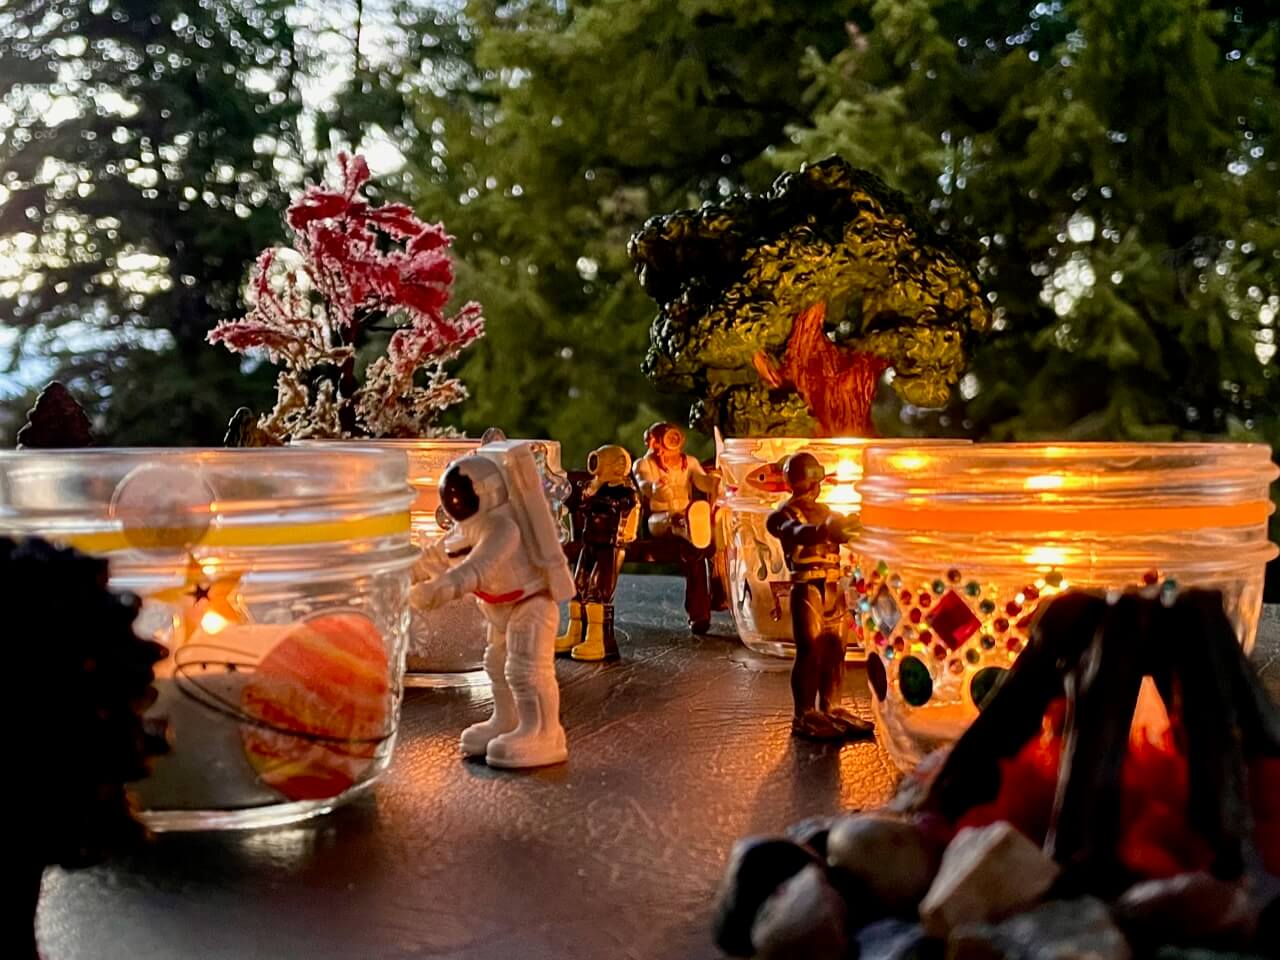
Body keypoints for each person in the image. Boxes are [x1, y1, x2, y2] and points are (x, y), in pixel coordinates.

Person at [412, 441, 575, 768]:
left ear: (484, 493)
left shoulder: (503, 527)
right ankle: (507, 720)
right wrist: (409, 572)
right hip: (501, 610)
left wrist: (439, 590)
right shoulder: (473, 525)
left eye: (462, 495)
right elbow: (439, 555)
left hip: (531, 604)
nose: (456, 501)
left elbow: (477, 568)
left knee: (525, 670)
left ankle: (542, 732)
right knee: (497, 664)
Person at [766, 452, 873, 741]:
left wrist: (857, 526)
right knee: (810, 651)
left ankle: (832, 706)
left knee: (837, 648)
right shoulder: (782, 515)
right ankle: (804, 713)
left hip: (833, 588)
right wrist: (825, 530)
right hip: (808, 588)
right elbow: (796, 532)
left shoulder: (827, 511)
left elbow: (844, 532)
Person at [632, 421, 718, 633]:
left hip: (686, 515)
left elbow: (701, 481)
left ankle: (700, 614)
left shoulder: (688, 462)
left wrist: (715, 482)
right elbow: (645, 486)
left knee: (695, 551)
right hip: (659, 519)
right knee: (678, 523)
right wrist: (657, 487)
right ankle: (690, 527)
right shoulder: (644, 465)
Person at [556, 444, 639, 661]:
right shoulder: (596, 489)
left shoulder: (626, 492)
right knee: (579, 587)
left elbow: (613, 504)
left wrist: (593, 493)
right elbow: (577, 503)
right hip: (591, 543)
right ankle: (575, 633)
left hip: (610, 547)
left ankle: (599, 640)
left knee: (598, 591)